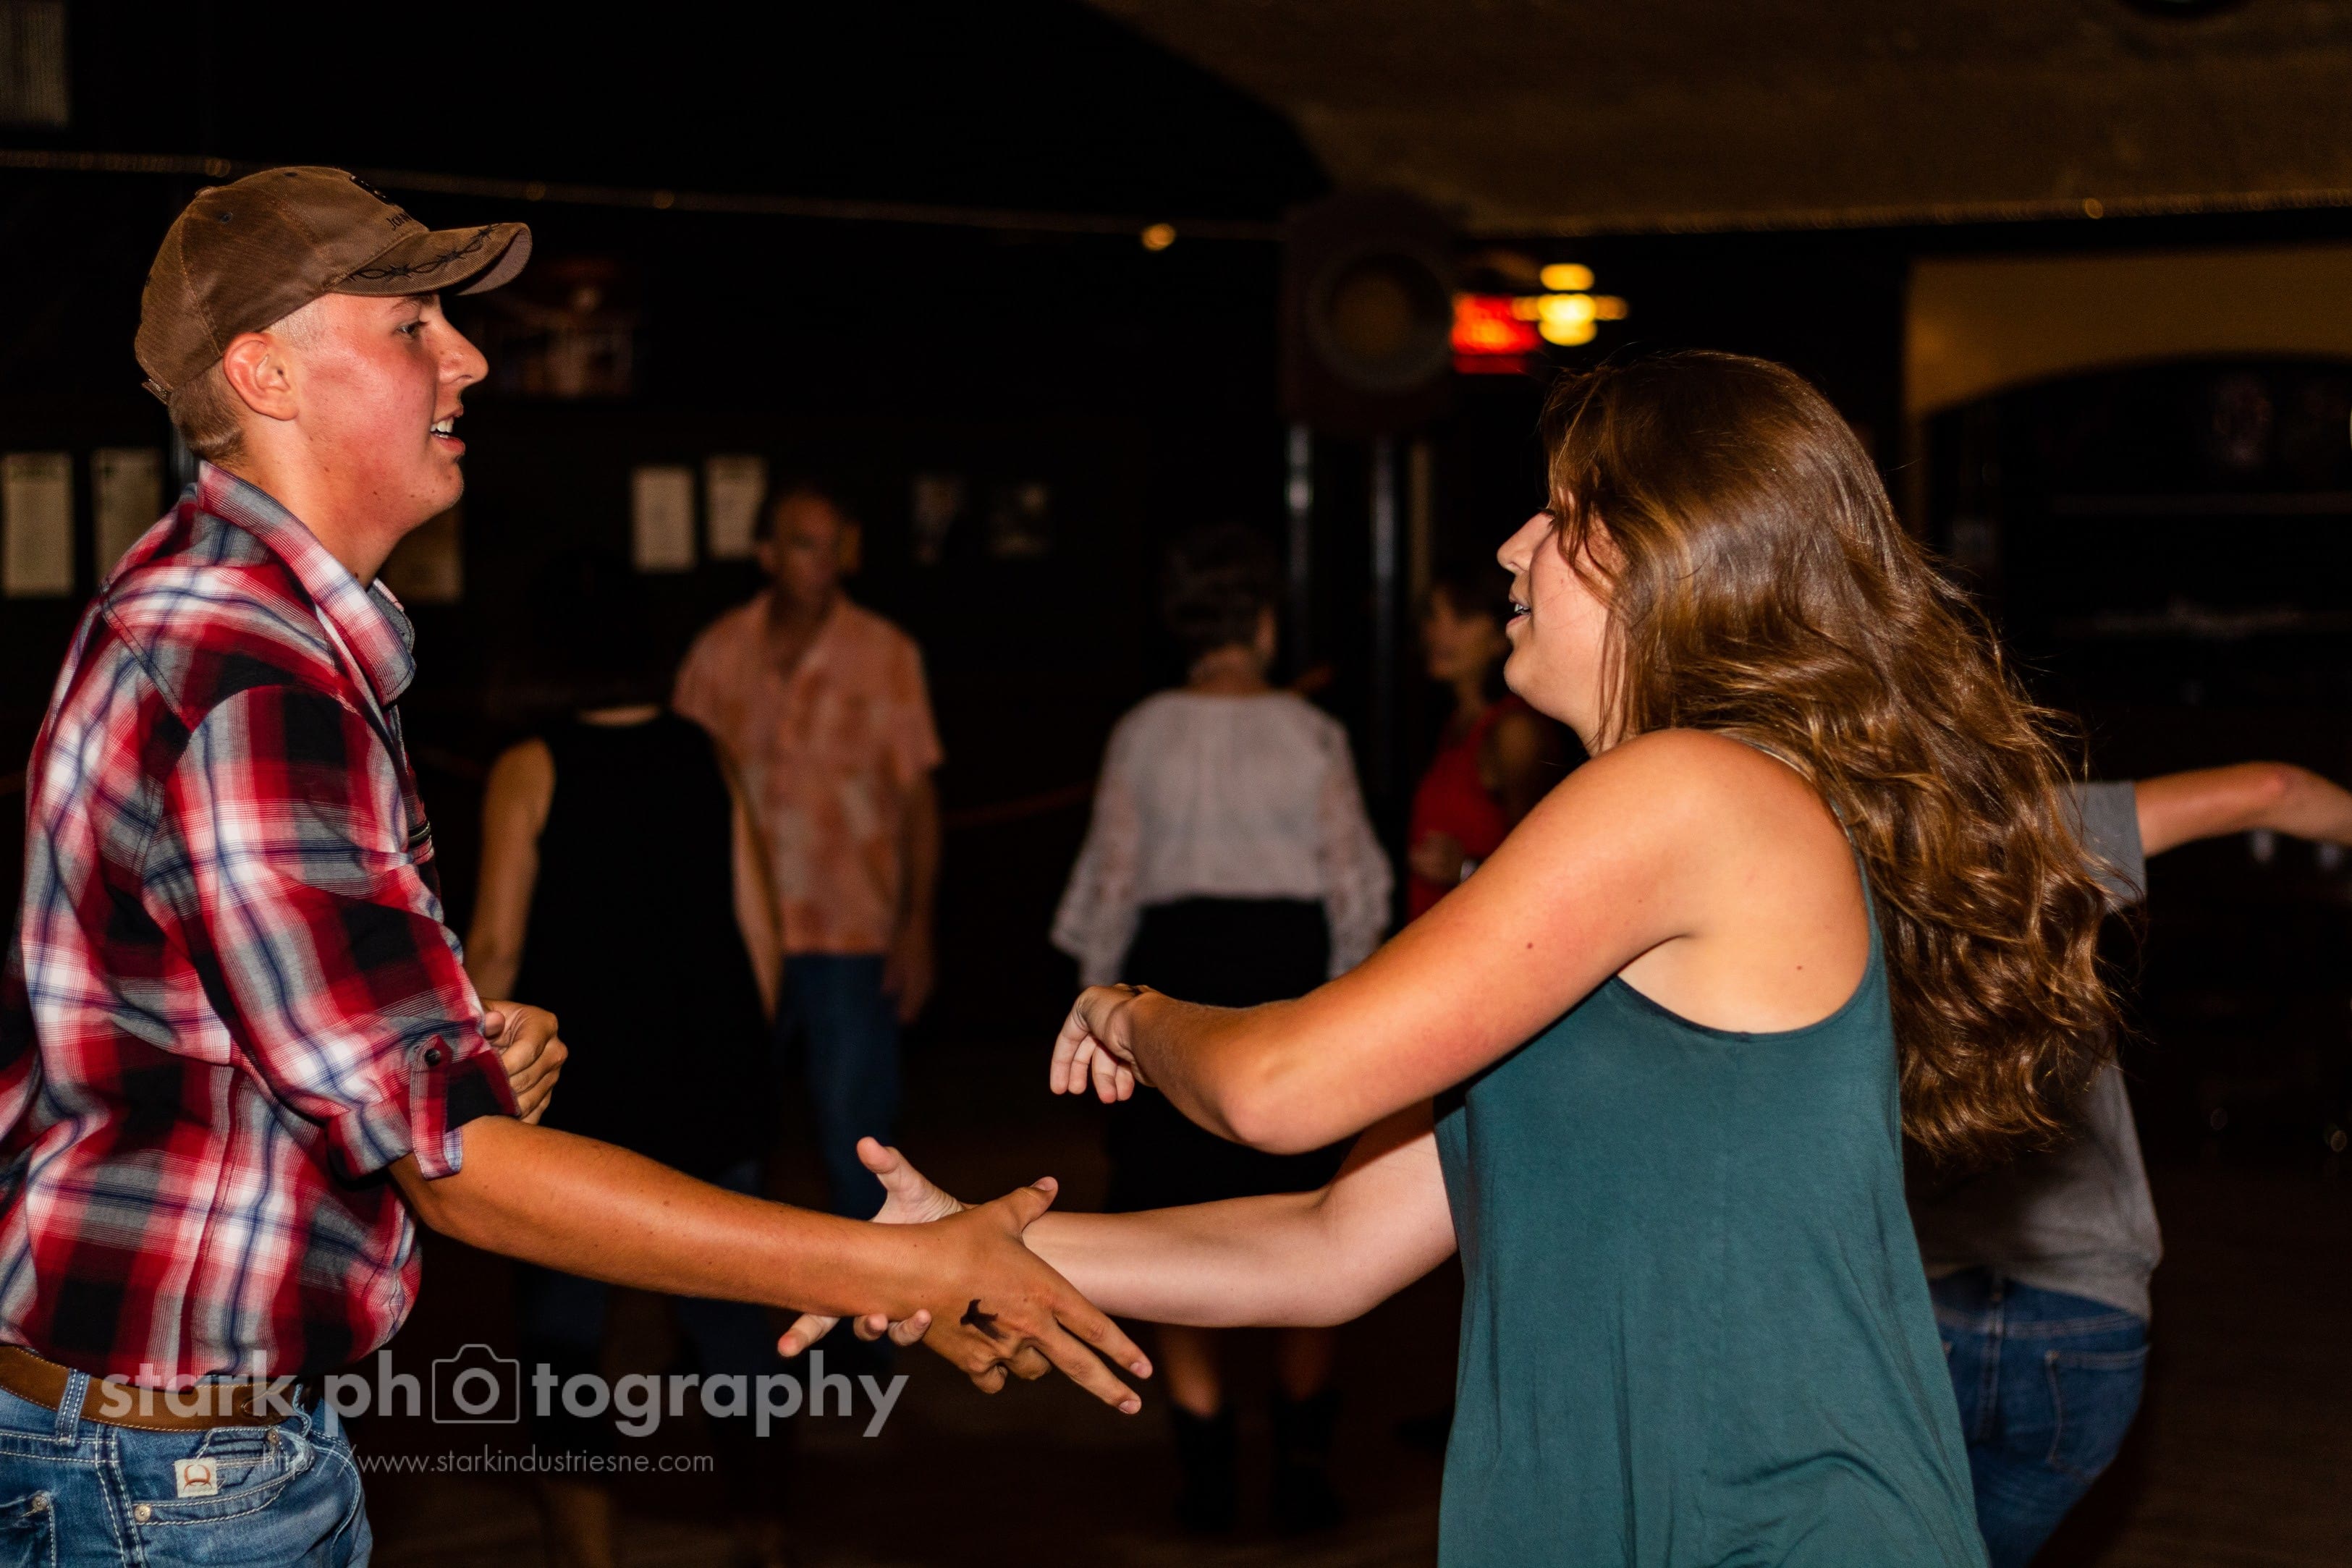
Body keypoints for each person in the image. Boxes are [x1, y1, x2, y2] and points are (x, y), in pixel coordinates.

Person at [798, 351, 2117, 1567]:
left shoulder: (1694, 790)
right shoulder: (1633, 848)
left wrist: (1128, 1010)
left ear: (1674, 550)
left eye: (1561, 513)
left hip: (1766, 1531)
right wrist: (966, 1247)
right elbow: (1325, 1248)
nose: (1511, 546)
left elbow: (1276, 1086)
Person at [0, 167, 1145, 1566]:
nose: (471, 356)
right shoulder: (253, 670)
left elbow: (218, 1047)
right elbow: (457, 1171)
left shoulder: (222, 613)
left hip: (162, 1440)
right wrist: (895, 1263)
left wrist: (447, 1049)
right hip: (163, 1472)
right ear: (266, 374)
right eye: (413, 324)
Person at [1915, 763, 2352, 1567]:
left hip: (1911, 1313)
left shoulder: (1807, 860)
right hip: (2085, 1314)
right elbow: (2273, 790)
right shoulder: (2039, 829)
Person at [1049, 522, 1391, 1533]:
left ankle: (1203, 1472)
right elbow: (1357, 891)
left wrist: (1096, 1008)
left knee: (1171, 1209)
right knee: (1312, 1204)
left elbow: (1110, 884)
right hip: (1285, 987)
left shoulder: (1142, 730)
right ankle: (1300, 1468)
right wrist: (1345, 1011)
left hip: (1170, 991)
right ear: (1264, 622)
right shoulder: (1310, 731)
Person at [464, 555, 791, 1568]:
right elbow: (762, 936)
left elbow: (496, 947)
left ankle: (586, 1551)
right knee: (735, 1322)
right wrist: (742, 1064)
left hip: (576, 1100)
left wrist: (469, 1087)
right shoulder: (705, 752)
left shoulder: (530, 767)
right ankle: (764, 1532)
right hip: (707, 1087)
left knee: (564, 1336)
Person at [674, 485, 942, 1221]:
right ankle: (725, 1291)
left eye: (834, 545)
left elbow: (917, 798)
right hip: (738, 933)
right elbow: (682, 788)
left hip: (851, 933)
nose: (824, 562)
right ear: (766, 554)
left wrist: (917, 924)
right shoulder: (719, 651)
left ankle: (868, 1291)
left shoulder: (885, 653)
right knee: (723, 1137)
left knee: (861, 1140)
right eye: (803, 544)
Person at [1405, 561, 1575, 918]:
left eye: (1462, 616)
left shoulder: (1514, 731)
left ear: (1500, 635)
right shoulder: (1453, 724)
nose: (1438, 631)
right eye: (1433, 615)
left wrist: (1465, 869)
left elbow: (1544, 866)